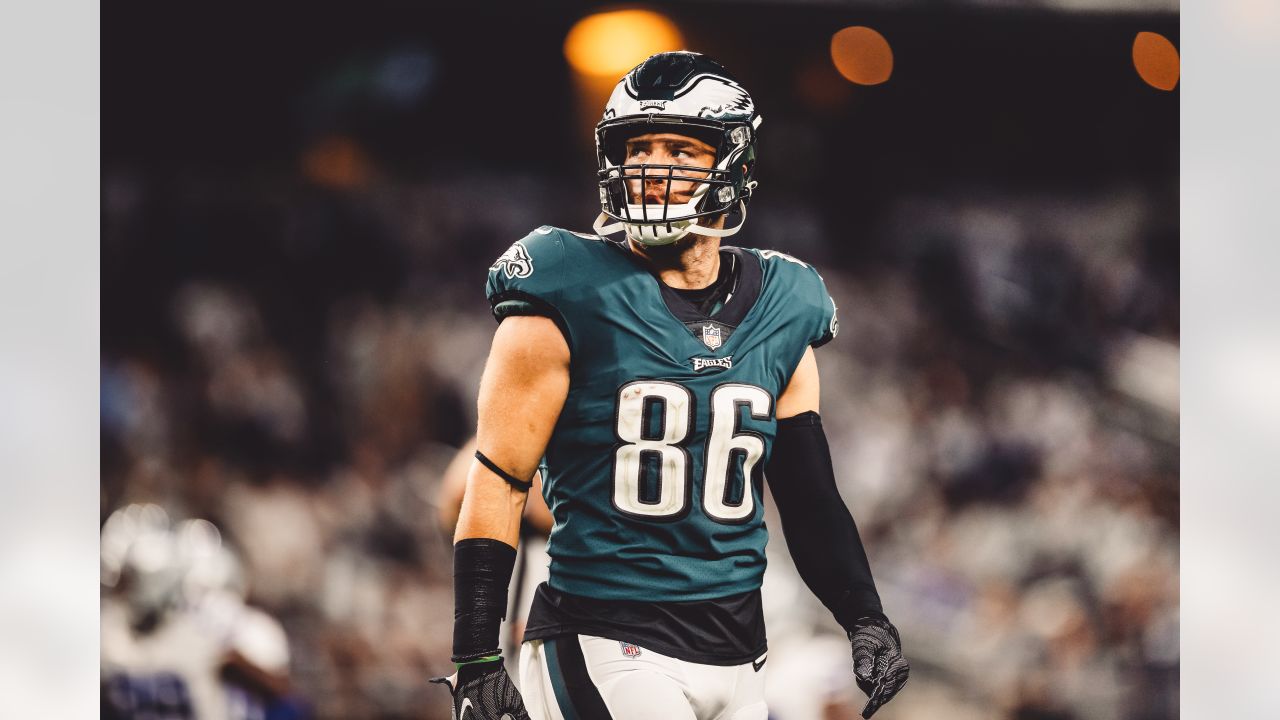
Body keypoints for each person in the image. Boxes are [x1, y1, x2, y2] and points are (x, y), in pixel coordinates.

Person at [434, 51, 909, 720]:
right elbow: (496, 479)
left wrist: (864, 614)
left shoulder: (786, 302)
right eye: (639, 147)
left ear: (732, 164)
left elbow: (807, 494)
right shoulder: (564, 286)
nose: (652, 166)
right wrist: (475, 655)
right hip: (603, 634)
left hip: (739, 651)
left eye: (680, 148)